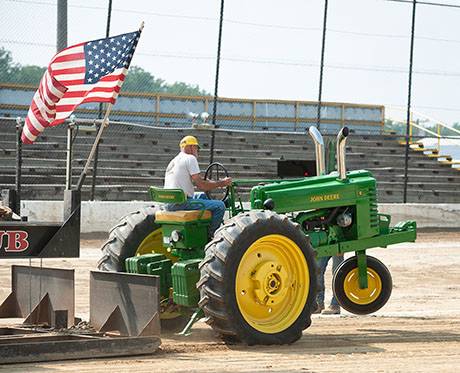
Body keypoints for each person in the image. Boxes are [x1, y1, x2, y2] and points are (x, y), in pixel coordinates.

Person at [163, 135, 232, 237]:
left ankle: (203, 226)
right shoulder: (190, 158)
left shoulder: (175, 160)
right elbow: (202, 185)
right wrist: (222, 183)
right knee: (220, 206)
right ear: (191, 147)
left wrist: (216, 182)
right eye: (197, 148)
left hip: (169, 202)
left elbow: (198, 179)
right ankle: (210, 235)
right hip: (180, 203)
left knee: (203, 196)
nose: (197, 151)